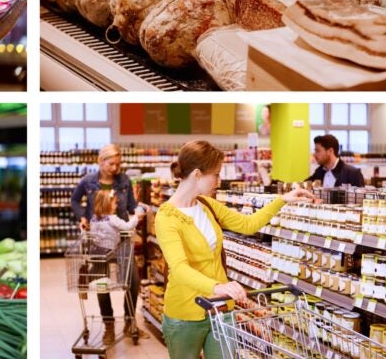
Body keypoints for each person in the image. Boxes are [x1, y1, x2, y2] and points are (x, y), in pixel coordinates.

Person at [155, 140, 315, 359]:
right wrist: (218, 286)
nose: (219, 181)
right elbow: (180, 269)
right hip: (185, 313)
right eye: (216, 175)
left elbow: (247, 224)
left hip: (221, 309)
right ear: (197, 175)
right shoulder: (166, 217)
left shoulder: (207, 205)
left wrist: (282, 200)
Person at [71, 144, 141, 337]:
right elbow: (75, 200)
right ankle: (108, 323)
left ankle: (130, 321)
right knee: (102, 282)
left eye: (118, 164)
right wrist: (82, 217)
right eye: (111, 164)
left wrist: (137, 214)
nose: (115, 168)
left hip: (122, 238)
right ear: (100, 161)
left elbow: (132, 206)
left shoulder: (124, 180)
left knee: (132, 279)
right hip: (99, 240)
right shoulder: (88, 181)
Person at [88, 189, 145, 344]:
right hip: (113, 250)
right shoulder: (112, 218)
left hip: (99, 253)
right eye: (114, 202)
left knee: (105, 283)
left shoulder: (94, 219)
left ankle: (123, 322)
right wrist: (137, 217)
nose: (116, 205)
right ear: (108, 204)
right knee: (110, 285)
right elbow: (127, 227)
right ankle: (113, 325)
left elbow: (91, 234)